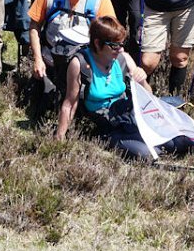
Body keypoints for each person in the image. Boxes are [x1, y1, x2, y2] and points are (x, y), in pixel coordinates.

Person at [56, 16, 155, 159]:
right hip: (104, 124)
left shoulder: (124, 59)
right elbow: (70, 103)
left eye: (122, 44)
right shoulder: (80, 64)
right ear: (97, 43)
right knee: (146, 154)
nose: (120, 49)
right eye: (114, 45)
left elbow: (149, 98)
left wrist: (143, 81)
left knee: (167, 140)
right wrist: (59, 138)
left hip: (126, 113)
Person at [28, 0, 116, 102]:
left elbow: (112, 37)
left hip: (84, 69)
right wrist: (37, 59)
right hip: (50, 64)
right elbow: (34, 26)